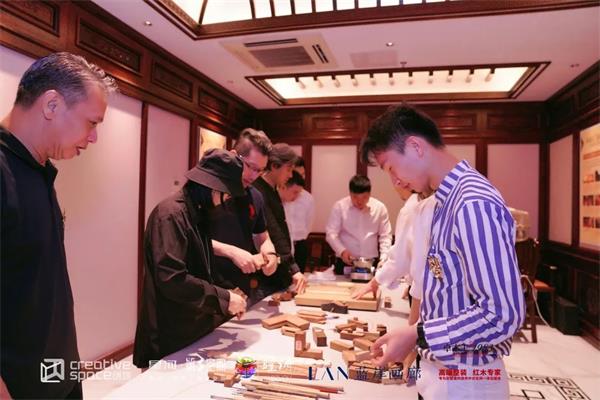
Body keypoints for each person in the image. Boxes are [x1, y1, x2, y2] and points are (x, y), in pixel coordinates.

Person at [361, 104, 525, 399]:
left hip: (467, 382)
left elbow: (502, 315)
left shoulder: (472, 203)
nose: (395, 181)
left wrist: (418, 333)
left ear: (415, 147)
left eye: (391, 168)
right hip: (441, 373)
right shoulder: (441, 201)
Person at [0, 52, 116, 399]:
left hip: (58, 374)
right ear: (51, 105)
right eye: (92, 122)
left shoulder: (38, 169)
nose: (94, 138)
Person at [133, 149, 248, 368]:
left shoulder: (197, 213)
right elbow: (172, 280)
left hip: (192, 328)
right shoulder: (171, 215)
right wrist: (224, 298)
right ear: (213, 188)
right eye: (226, 196)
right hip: (169, 333)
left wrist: (228, 294)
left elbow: (203, 267)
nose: (224, 203)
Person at [209, 128, 279, 303]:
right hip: (208, 286)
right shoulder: (209, 191)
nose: (254, 176)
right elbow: (191, 238)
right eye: (250, 167)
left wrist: (270, 253)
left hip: (240, 288)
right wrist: (231, 252)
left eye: (260, 170)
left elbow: (262, 236)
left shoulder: (255, 196)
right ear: (233, 156)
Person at [253, 143, 307, 294]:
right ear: (274, 166)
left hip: (278, 267)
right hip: (266, 270)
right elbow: (274, 229)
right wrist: (293, 268)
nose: (290, 175)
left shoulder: (271, 189)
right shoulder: (259, 190)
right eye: (288, 169)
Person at [325, 175, 392, 275]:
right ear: (350, 193)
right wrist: (342, 251)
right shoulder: (340, 207)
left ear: (370, 194)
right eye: (355, 197)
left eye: (364, 197)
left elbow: (385, 236)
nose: (359, 201)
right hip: (345, 261)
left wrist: (384, 258)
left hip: (371, 262)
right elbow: (331, 234)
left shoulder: (380, 208)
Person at [280, 168, 315, 272]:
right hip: (279, 249)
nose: (297, 197)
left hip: (298, 245)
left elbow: (309, 224)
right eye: (295, 192)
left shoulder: (307, 198)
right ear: (283, 186)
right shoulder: (274, 203)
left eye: (299, 193)